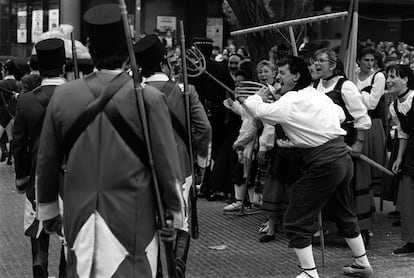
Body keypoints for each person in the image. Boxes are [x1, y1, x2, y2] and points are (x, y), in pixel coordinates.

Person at [35, 4, 183, 277]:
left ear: (90, 48)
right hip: (134, 220)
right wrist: (175, 213)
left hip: (79, 218)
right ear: (128, 53)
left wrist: (48, 211)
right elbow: (167, 164)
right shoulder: (150, 99)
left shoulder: (64, 97)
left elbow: (46, 162)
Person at [241, 55, 373, 278]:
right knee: (343, 212)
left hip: (325, 163)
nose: (278, 77)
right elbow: (340, 114)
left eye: (282, 73)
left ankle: (310, 273)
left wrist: (256, 97)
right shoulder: (317, 95)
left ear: (296, 76)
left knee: (295, 218)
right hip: (341, 158)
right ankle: (362, 263)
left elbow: (263, 114)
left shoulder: (293, 100)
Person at [134, 33, 211, 276]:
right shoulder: (185, 90)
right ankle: (178, 266)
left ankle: (156, 270)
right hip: (181, 165)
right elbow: (204, 128)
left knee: (149, 223)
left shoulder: (135, 92)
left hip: (144, 166)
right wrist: (200, 159)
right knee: (182, 221)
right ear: (164, 61)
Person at [12, 38, 67, 278]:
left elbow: (18, 144)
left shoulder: (25, 100)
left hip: (37, 173)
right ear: (63, 64)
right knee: (70, 234)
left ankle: (39, 260)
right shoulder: (80, 95)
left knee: (38, 227)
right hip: (70, 175)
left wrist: (22, 177)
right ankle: (66, 271)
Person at [313, 48, 373, 245]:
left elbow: (361, 116)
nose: (317, 64)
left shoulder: (345, 86)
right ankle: (330, 227)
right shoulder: (314, 87)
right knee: (327, 186)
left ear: (332, 65)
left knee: (348, 187)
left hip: (346, 144)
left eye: (321, 60)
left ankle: (358, 232)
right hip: (324, 145)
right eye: (316, 60)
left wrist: (359, 142)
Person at [387, 64, 414, 255]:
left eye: (392, 77)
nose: (388, 81)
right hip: (412, 152)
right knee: (408, 198)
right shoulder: (394, 106)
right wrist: (398, 158)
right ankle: (411, 241)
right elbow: (403, 133)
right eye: (387, 77)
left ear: (405, 79)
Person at [356, 47, 387, 191]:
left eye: (372, 60)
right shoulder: (353, 74)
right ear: (358, 61)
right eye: (366, 60)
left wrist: (356, 94)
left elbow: (372, 104)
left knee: (370, 159)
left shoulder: (378, 77)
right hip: (355, 122)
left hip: (372, 122)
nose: (369, 64)